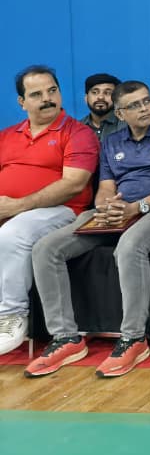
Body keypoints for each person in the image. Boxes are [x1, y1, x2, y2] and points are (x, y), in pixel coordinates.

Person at [27, 81, 150, 378]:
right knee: (46, 249)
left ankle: (133, 338)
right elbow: (105, 188)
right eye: (135, 105)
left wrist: (138, 207)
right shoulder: (112, 142)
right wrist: (107, 207)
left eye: (147, 101)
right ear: (120, 114)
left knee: (129, 247)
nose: (144, 109)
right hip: (120, 211)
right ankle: (65, 337)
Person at [0, 67, 97, 357]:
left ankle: (11, 315)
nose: (47, 99)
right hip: (10, 209)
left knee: (13, 233)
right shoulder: (7, 136)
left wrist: (16, 206)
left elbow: (73, 184)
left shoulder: (78, 133)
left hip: (62, 211)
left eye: (52, 91)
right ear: (22, 102)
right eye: (37, 94)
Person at [80, 73, 123, 143]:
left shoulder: (128, 125)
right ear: (86, 98)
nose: (100, 97)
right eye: (95, 92)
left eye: (107, 93)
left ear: (117, 99)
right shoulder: (77, 128)